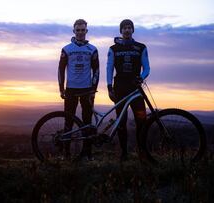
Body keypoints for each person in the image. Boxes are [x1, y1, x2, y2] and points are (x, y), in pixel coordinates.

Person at [106, 19, 150, 161]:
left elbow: (147, 68)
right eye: (124, 28)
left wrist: (141, 77)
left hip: (136, 89)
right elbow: (109, 68)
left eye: (129, 27)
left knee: (141, 121)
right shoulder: (113, 49)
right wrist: (109, 86)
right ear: (121, 31)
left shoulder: (141, 47)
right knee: (121, 122)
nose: (126, 30)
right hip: (119, 89)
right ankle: (124, 153)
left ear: (133, 30)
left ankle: (142, 152)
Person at [58, 19, 100, 160]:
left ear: (86, 31)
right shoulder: (66, 49)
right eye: (78, 30)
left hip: (87, 90)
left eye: (83, 30)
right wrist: (61, 88)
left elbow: (97, 70)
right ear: (74, 31)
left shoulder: (92, 49)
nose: (81, 32)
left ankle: (87, 154)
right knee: (68, 122)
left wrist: (93, 89)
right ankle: (67, 154)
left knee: (87, 122)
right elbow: (61, 69)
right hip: (71, 90)